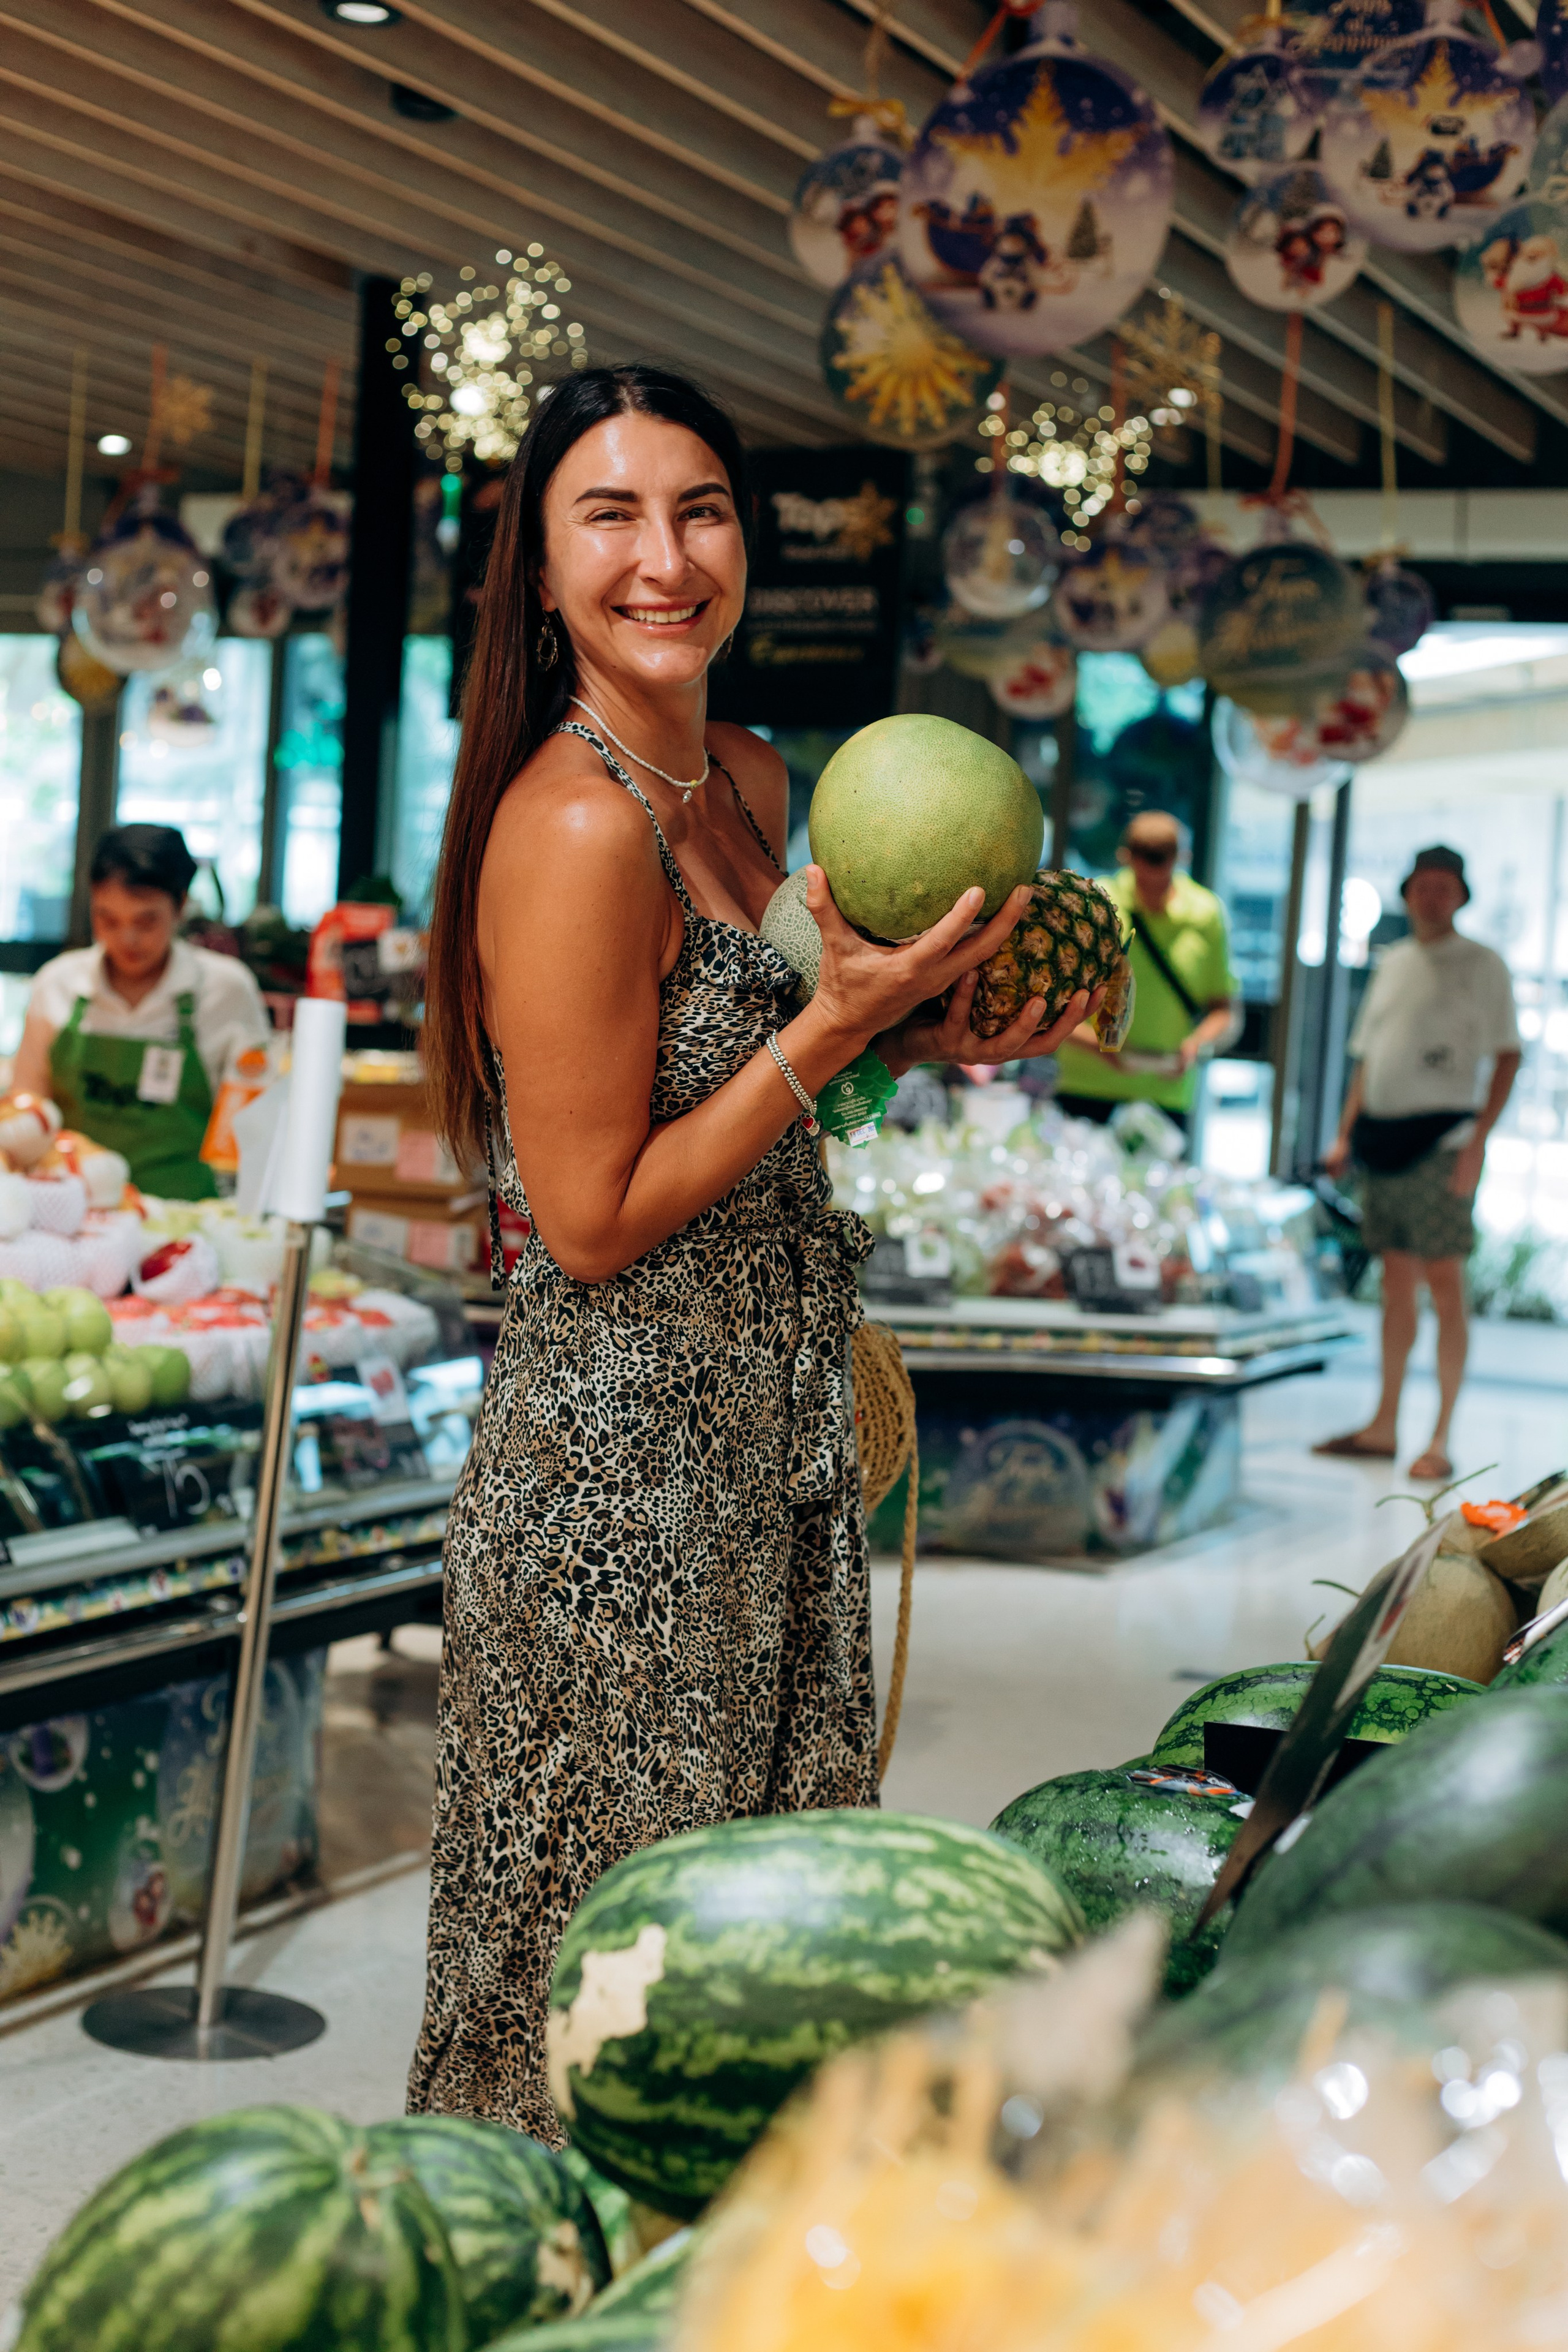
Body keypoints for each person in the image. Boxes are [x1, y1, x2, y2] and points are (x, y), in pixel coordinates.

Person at [407, 364, 1101, 2141]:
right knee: (615, 2019)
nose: (664, 557)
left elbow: (783, 1058)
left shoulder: (748, 776)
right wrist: (831, 1037)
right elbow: (590, 1215)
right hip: (615, 1496)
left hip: (766, 1461)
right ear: (541, 568)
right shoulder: (571, 826)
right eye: (610, 516)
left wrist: (952, 1020)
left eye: (699, 510)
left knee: (751, 1995)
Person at [1316, 845, 1520, 1482]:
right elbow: (1367, 1057)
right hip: (1380, 1138)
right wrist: (1344, 1134)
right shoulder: (1393, 962)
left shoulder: (1483, 965)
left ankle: (1440, 1435)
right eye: (1422, 886)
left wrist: (1479, 1140)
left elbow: (1507, 1055)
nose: (1432, 897)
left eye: (1444, 886)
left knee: (1444, 1284)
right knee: (1395, 1284)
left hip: (1443, 1142)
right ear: (1405, 894)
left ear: (1460, 895)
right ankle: (1383, 1424)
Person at [12, 823, 269, 1199]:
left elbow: (250, 1124)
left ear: (180, 905)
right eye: (107, 920)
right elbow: (26, 1111)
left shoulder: (225, 990)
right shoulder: (58, 983)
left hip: (183, 1216)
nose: (127, 940)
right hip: (74, 1215)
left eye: (146, 922)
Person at [1052, 809, 1239, 1133]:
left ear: (1181, 857)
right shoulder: (1096, 902)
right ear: (1126, 856)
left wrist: (1196, 1046)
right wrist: (1099, 1047)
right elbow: (1052, 1001)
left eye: (1162, 858)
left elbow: (1224, 1010)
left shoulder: (1206, 914)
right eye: (1146, 857)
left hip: (1165, 1096)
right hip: (1085, 1086)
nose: (1154, 870)